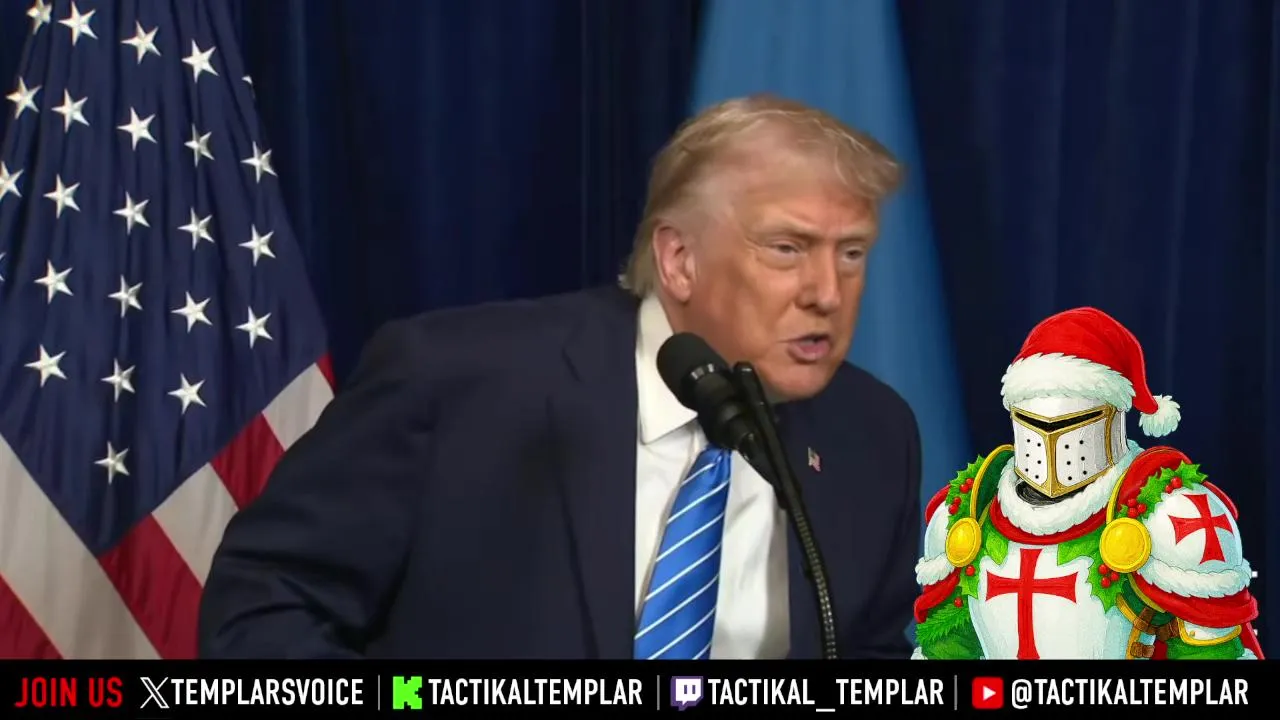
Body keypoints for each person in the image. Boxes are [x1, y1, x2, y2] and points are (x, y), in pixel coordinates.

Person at [197, 95, 923, 660]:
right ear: (679, 260)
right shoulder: (460, 383)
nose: (827, 293)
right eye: (788, 248)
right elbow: (264, 603)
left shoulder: (872, 433)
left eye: (852, 253)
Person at [912, 307, 1264, 660]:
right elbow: (947, 647)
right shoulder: (967, 514)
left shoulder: (1171, 515)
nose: (1050, 439)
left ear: (1113, 415)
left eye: (1071, 423)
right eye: (1034, 423)